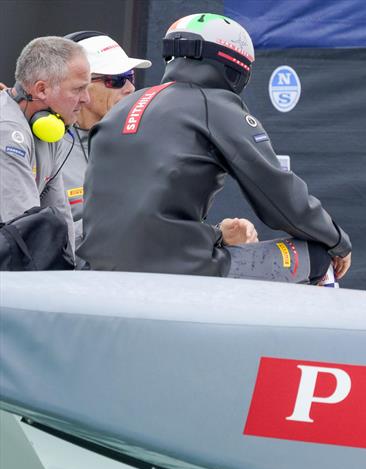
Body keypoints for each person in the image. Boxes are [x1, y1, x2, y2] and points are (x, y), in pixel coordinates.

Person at [78, 13, 351, 283]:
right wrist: (337, 240)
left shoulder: (122, 108)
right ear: (236, 65)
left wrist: (216, 235)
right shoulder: (217, 105)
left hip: (99, 272)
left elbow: (135, 215)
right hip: (176, 271)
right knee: (316, 255)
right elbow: (280, 201)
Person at [0, 36, 91, 258]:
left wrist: (70, 270)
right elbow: (26, 229)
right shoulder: (8, 132)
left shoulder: (49, 128)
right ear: (41, 90)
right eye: (78, 89)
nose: (86, 99)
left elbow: (60, 212)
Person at [59, 31, 151, 244]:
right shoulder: (38, 144)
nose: (130, 88)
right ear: (79, 84)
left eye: (130, 77)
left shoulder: (138, 143)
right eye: (116, 80)